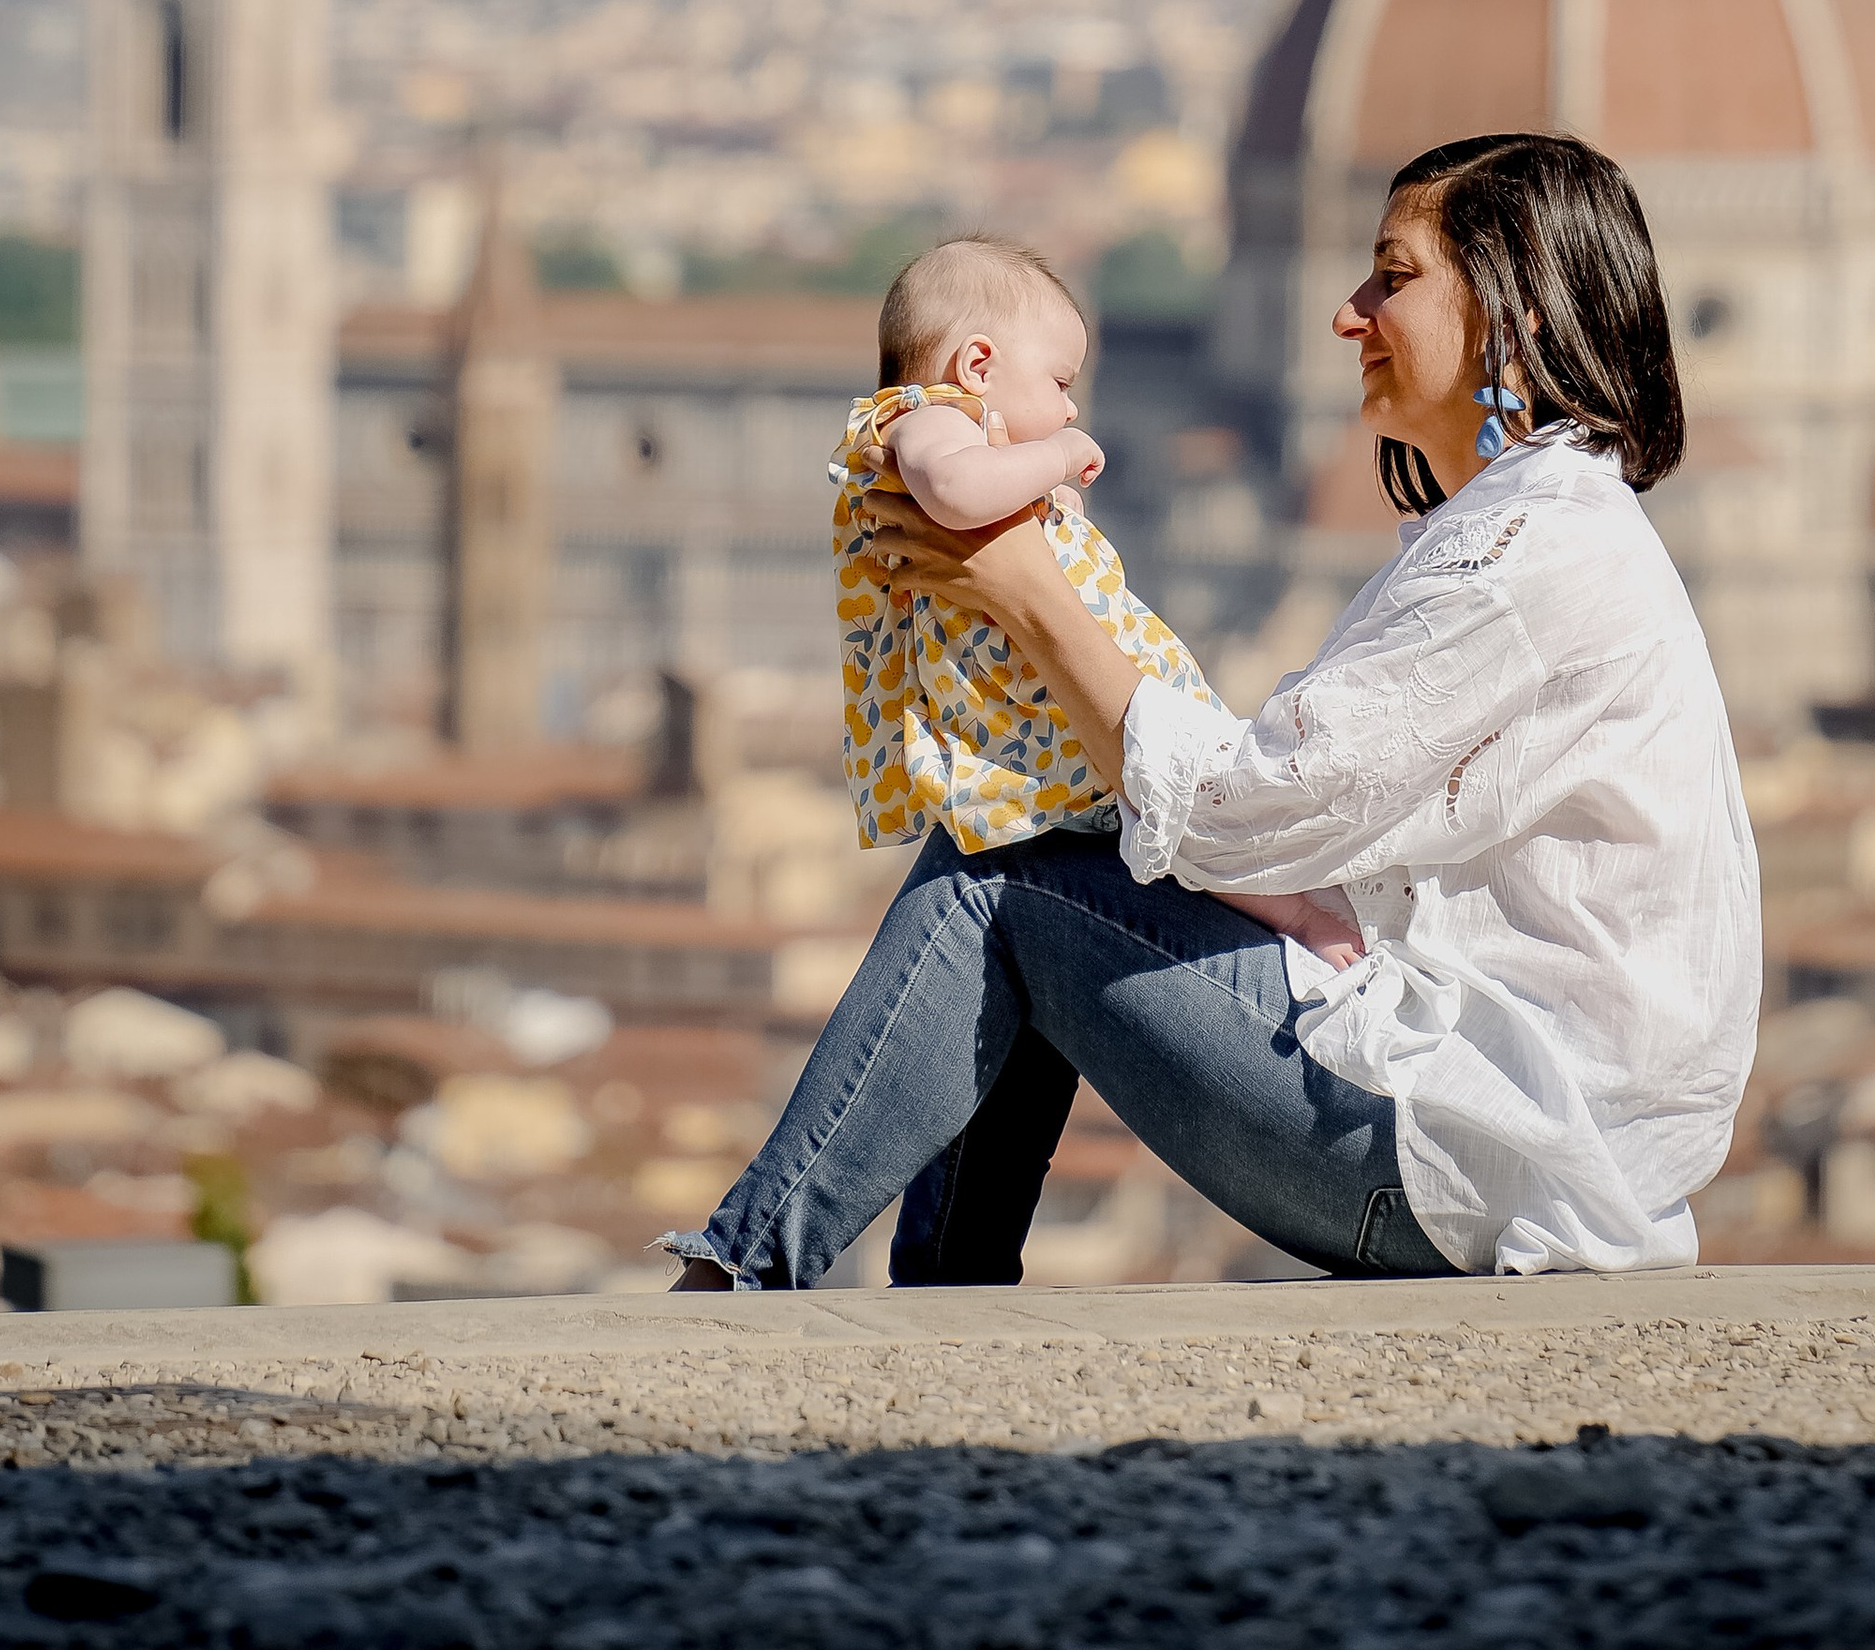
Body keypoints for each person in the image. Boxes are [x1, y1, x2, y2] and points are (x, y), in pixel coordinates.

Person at [665, 133, 1758, 1290]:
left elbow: (1246, 810)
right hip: (1474, 1137)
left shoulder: (1530, 555)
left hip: (1466, 1157)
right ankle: (938, 1288)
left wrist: (1029, 596)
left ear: (1517, 313)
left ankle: (745, 1276)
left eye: (1392, 276)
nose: (1349, 314)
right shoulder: (1528, 530)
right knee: (1025, 852)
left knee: (1004, 868)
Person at [832, 233, 1361, 959]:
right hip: (1042, 700)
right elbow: (955, 492)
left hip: (1049, 683)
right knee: (1165, 793)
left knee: (1180, 792)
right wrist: (1055, 459)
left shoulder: (968, 432)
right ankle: (1295, 915)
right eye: (1059, 383)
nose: (1073, 408)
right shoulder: (930, 418)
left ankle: (1294, 897)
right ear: (978, 365)